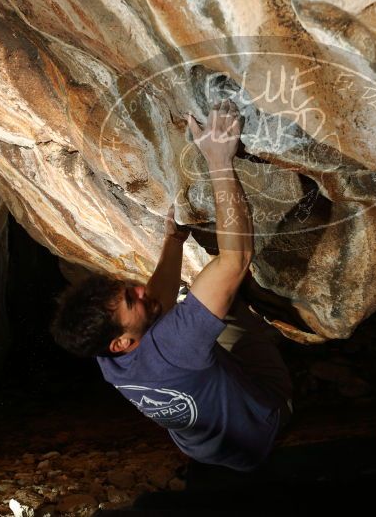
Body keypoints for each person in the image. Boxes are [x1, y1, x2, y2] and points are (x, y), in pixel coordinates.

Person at [50, 99, 293, 472]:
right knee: (228, 303)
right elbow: (236, 259)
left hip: (201, 448)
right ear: (123, 343)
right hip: (264, 428)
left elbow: (157, 299)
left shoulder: (108, 356)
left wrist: (174, 240)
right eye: (133, 300)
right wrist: (218, 160)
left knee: (178, 307)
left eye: (128, 288)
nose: (141, 290)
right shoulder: (176, 346)